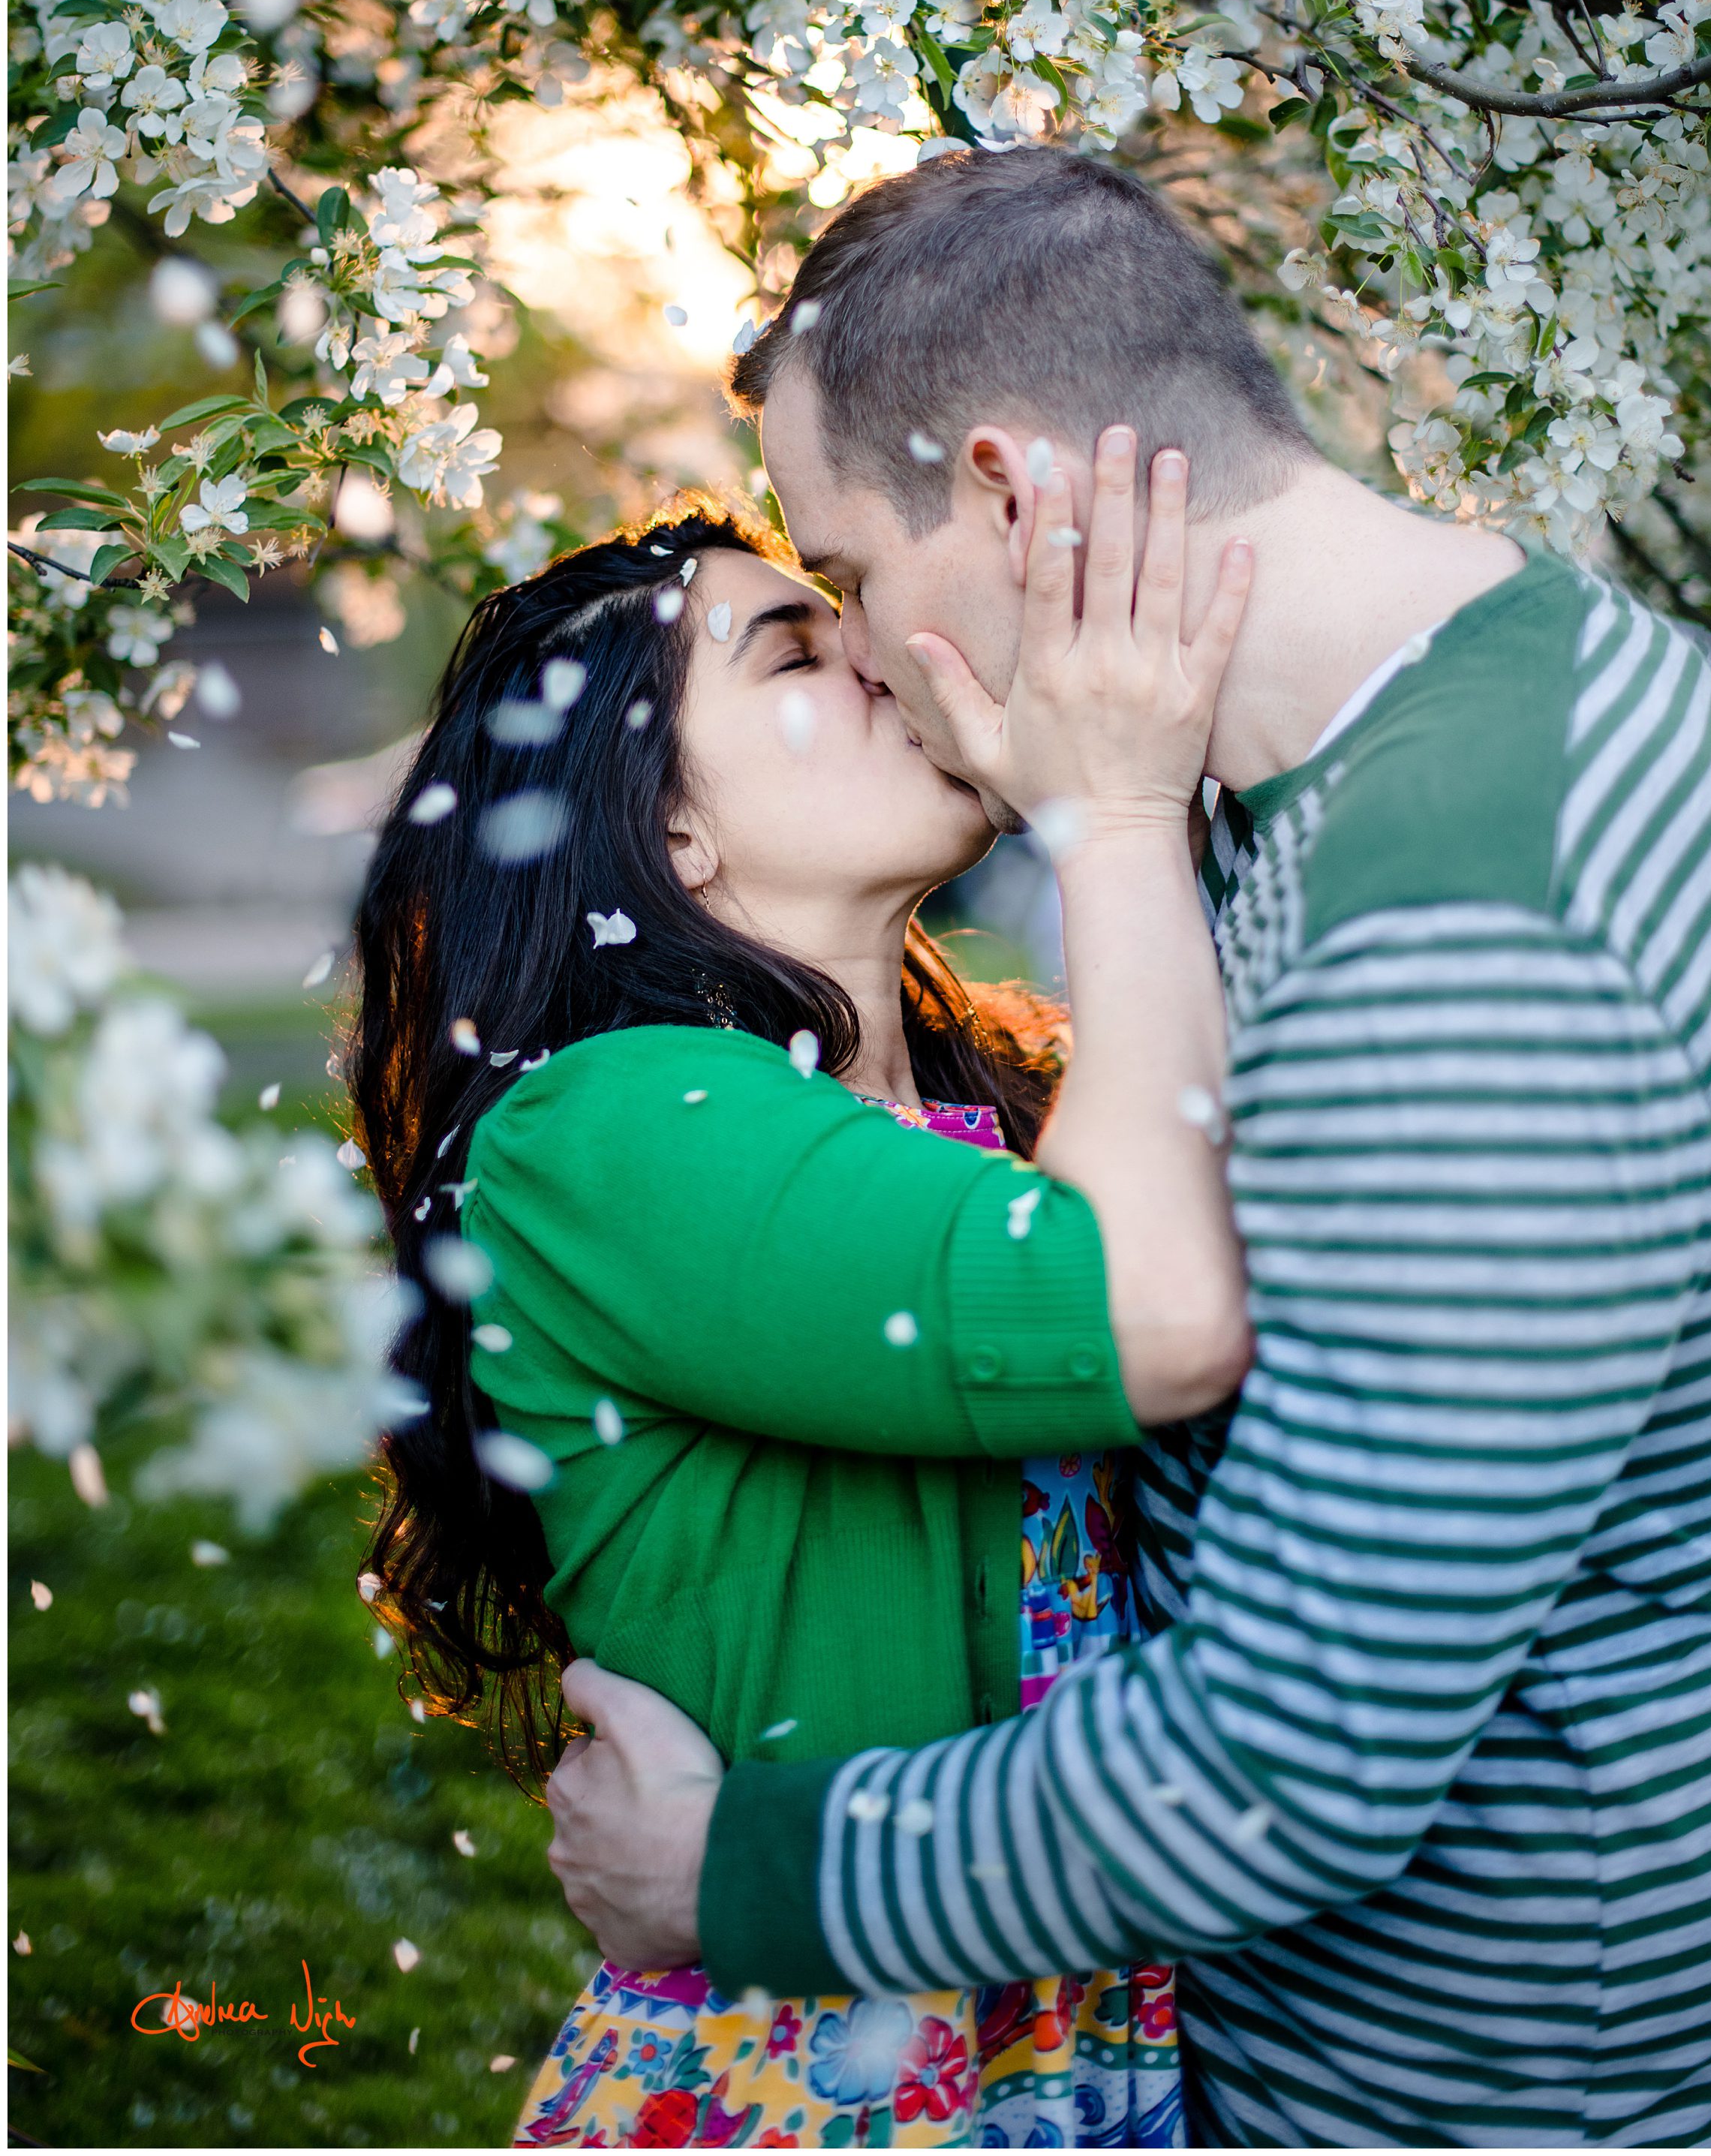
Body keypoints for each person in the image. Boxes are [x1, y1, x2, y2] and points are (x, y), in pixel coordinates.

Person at [541, 144, 1711, 2149]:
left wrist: (732, 1869)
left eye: (852, 573)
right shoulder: (1484, 692)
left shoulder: (1469, 938)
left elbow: (1289, 1764)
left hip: (1478, 2087)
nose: (862, 648)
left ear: (1019, 502)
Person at [348, 480, 1258, 2147]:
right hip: (819, 2081)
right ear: (665, 829)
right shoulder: (602, 1132)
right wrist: (1119, 823)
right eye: (794, 650)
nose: (884, 660)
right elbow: (1150, 1313)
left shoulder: (1008, 1108)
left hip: (1070, 2042)